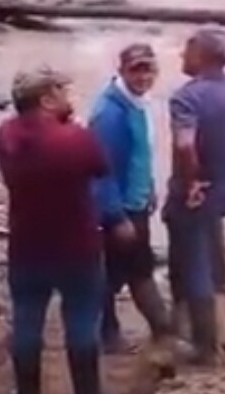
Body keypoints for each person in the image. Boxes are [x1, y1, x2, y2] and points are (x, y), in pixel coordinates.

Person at [0, 67, 109, 394]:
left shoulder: (6, 134)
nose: (68, 96)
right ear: (46, 99)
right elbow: (101, 167)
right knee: (82, 326)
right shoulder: (73, 138)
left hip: (27, 246)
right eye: (62, 90)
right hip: (76, 247)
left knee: (27, 325)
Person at [164, 29, 225, 366]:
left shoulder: (187, 98)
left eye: (187, 51)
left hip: (200, 190)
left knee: (192, 262)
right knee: (210, 237)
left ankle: (206, 348)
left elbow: (185, 144)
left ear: (202, 56)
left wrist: (191, 182)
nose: (182, 57)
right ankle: (222, 294)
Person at [89, 44, 171, 356]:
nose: (143, 77)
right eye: (136, 70)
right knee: (126, 272)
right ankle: (131, 332)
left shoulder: (137, 103)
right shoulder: (110, 114)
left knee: (124, 269)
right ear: (121, 70)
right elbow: (101, 170)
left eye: (148, 70)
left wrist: (148, 185)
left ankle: (123, 330)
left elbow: (140, 153)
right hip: (119, 210)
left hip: (135, 202)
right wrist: (115, 216)